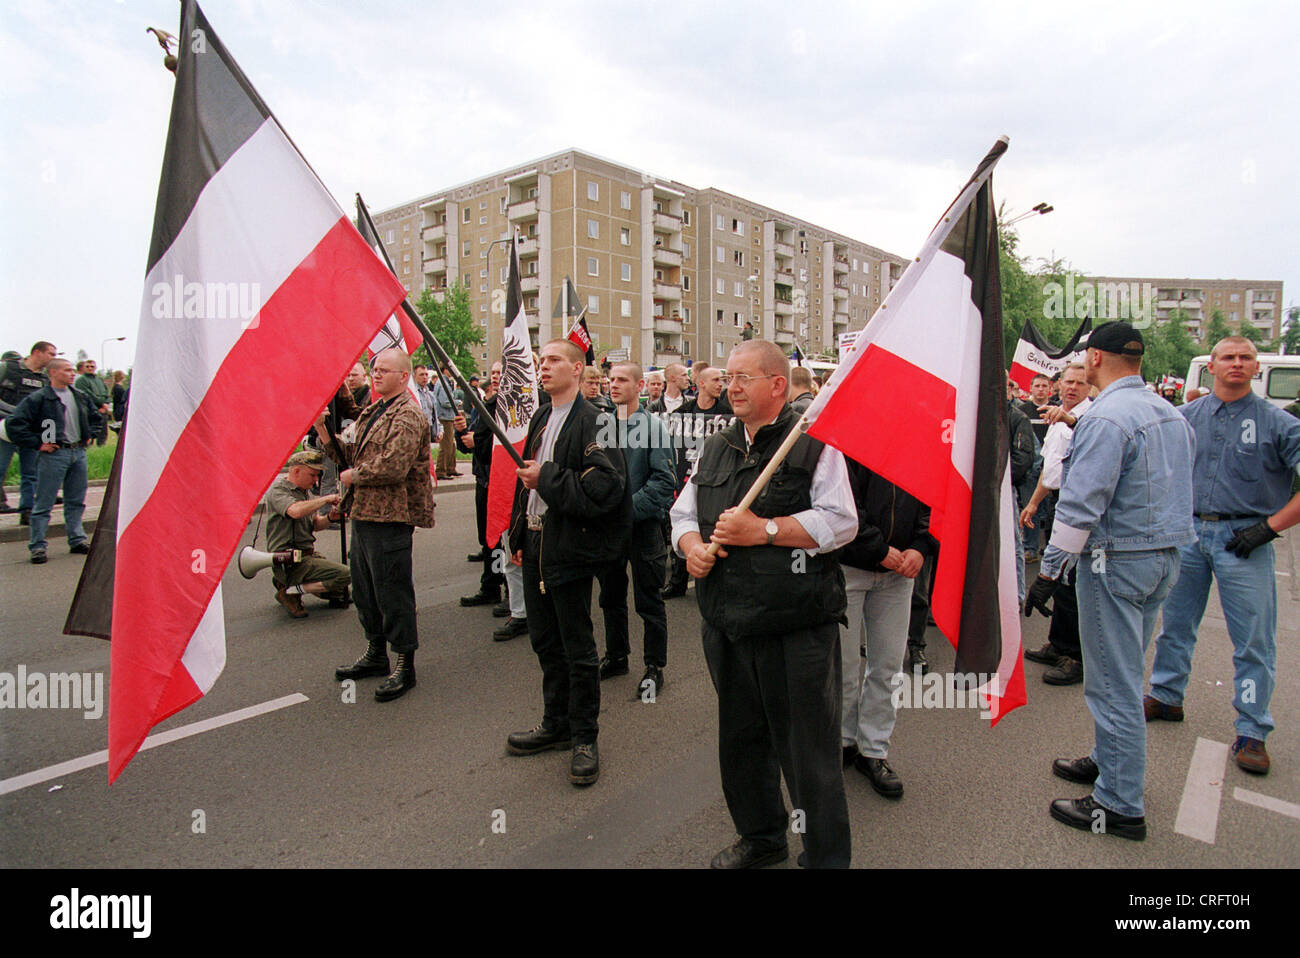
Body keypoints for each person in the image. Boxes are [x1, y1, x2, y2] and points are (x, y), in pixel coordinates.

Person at [670, 339, 857, 868]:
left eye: (744, 377)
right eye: (728, 377)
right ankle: (762, 837)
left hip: (794, 628)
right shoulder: (718, 445)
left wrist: (765, 530)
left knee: (808, 754)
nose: (731, 386)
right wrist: (690, 550)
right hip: (727, 624)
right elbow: (683, 513)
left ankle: (825, 857)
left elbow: (842, 522)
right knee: (743, 742)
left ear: (778, 385)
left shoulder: (813, 443)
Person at [1026, 321, 1194, 841]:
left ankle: (1118, 804)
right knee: (1125, 670)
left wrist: (1050, 570)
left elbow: (1080, 505)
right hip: (1162, 558)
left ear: (1095, 358)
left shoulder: (1107, 418)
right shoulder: (1170, 413)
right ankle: (1108, 760)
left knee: (1112, 685)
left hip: (1116, 561)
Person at [1147, 336, 1300, 776]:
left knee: (1253, 641)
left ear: (1256, 368)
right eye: (1228, 357)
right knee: (1174, 625)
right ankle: (1166, 695)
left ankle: (1253, 729)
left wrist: (1268, 528)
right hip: (1189, 533)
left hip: (1245, 539)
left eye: (1245, 358)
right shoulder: (1183, 418)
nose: (1236, 363)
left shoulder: (1278, 424)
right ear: (1211, 366)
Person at [506, 339, 630, 787]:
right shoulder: (542, 415)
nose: (544, 367)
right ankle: (555, 723)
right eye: (541, 361)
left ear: (578, 369)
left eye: (554, 360)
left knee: (578, 648)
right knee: (545, 641)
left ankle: (584, 738)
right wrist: (519, 534)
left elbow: (606, 490)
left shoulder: (598, 421)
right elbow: (528, 484)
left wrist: (550, 477)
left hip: (570, 550)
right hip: (538, 544)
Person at [322, 347, 435, 703]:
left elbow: (392, 466)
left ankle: (404, 663)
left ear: (404, 376)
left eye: (385, 370)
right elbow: (349, 449)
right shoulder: (374, 410)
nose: (376, 374)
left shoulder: (407, 415)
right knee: (365, 590)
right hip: (365, 513)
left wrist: (355, 474)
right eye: (374, 369)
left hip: (391, 517)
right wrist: (323, 431)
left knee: (393, 593)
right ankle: (375, 652)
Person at [839, 458, 932, 798]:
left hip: (900, 574)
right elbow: (842, 505)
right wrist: (878, 549)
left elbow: (933, 504)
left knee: (888, 665)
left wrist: (921, 548)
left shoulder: (922, 448)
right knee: (845, 665)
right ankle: (843, 741)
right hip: (850, 567)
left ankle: (874, 750)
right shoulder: (850, 444)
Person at [595, 361, 677, 694]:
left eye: (622, 380)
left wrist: (626, 512)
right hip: (609, 531)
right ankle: (616, 656)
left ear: (640, 385)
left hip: (642, 529)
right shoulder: (602, 425)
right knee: (610, 597)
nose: (614, 385)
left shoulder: (654, 427)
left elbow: (664, 481)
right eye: (611, 379)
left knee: (649, 599)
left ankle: (654, 665)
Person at [1019, 362, 1093, 685]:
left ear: (1089, 387)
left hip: (1082, 506)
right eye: (1068, 382)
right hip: (1061, 502)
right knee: (1061, 583)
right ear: (1058, 385)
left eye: (1080, 382)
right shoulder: (1056, 418)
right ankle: (1059, 644)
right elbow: (1051, 471)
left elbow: (1087, 435)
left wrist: (1069, 419)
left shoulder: (1088, 417)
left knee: (1072, 583)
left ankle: (1076, 656)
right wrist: (1034, 503)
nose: (1073, 387)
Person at [4, 357, 101, 563]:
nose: (72, 373)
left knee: (75, 501)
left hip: (78, 453)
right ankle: (38, 546)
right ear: (53, 373)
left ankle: (77, 539)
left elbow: (96, 417)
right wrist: (38, 443)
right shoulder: (39, 398)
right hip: (54, 455)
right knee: (44, 502)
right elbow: (14, 424)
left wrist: (90, 434)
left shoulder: (80, 396)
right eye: (67, 370)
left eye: (72, 370)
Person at [661, 365, 733, 599]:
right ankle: (678, 581)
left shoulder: (728, 413)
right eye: (715, 380)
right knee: (684, 525)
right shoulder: (682, 413)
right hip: (685, 477)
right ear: (701, 383)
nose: (720, 384)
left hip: (714, 479)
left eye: (722, 380)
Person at [263, 449, 351, 617]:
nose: (316, 480)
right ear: (296, 471)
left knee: (341, 592)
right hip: (290, 559)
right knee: (345, 575)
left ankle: (288, 584)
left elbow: (316, 525)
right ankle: (291, 590)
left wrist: (331, 518)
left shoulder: (305, 492)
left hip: (306, 554)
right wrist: (324, 499)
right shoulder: (279, 491)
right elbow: (295, 511)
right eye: (312, 475)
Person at [458, 362, 507, 614]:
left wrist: (475, 441)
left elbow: (500, 447)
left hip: (502, 481)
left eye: (502, 372)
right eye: (494, 372)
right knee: (488, 539)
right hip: (483, 479)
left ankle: (510, 590)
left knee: (503, 540)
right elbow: (469, 444)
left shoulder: (512, 407)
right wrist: (461, 434)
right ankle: (490, 586)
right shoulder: (485, 404)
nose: (496, 377)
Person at [0, 341, 57, 520]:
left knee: (30, 472)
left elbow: (50, 410)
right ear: (37, 352)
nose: (53, 358)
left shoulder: (46, 380)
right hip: (4, 429)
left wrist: (49, 437)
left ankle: (27, 510)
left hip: (31, 432)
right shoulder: (6, 369)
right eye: (51, 354)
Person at [431, 365, 460, 479]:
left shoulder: (445, 382)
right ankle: (440, 471)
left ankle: (450, 468)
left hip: (448, 416)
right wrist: (457, 402)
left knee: (451, 444)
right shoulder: (443, 383)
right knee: (445, 445)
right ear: (445, 369)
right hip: (444, 417)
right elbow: (445, 402)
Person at [73, 359, 111, 445]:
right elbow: (88, 395)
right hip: (90, 411)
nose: (90, 368)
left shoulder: (99, 380)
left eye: (92, 366)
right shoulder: (81, 380)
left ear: (96, 367)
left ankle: (101, 448)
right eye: (87, 366)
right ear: (84, 368)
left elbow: (106, 392)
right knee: (90, 433)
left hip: (103, 410)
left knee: (103, 432)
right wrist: (101, 404)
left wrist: (106, 404)